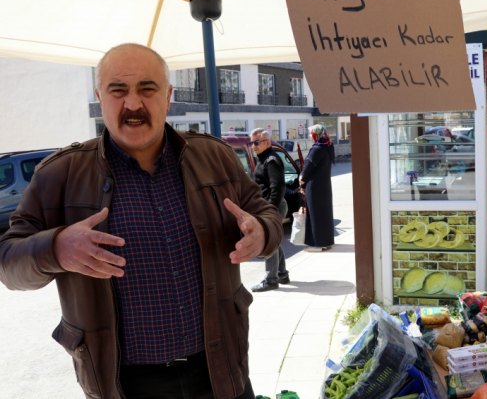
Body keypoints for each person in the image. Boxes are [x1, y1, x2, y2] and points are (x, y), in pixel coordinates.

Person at [0, 43, 281, 399]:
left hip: (221, 369)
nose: (133, 104)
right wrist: (56, 248)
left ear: (168, 96)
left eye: (147, 89)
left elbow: (266, 211)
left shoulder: (215, 157)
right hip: (124, 384)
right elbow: (7, 262)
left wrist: (263, 233)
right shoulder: (60, 175)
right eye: (118, 90)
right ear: (100, 96)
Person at [249, 128, 289, 292]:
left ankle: (271, 280)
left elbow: (277, 187)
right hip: (269, 206)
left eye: (256, 142)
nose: (253, 146)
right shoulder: (263, 159)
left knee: (268, 240)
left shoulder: (271, 160)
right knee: (274, 240)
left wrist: (270, 209)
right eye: (251, 143)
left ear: (266, 142)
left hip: (273, 206)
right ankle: (282, 274)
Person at [299, 124, 335, 251]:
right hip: (324, 186)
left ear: (315, 134)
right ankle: (326, 241)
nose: (309, 135)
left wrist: (301, 180)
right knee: (324, 214)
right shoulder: (327, 147)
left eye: (310, 133)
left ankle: (317, 243)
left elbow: (307, 168)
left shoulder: (316, 149)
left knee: (315, 214)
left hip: (314, 187)